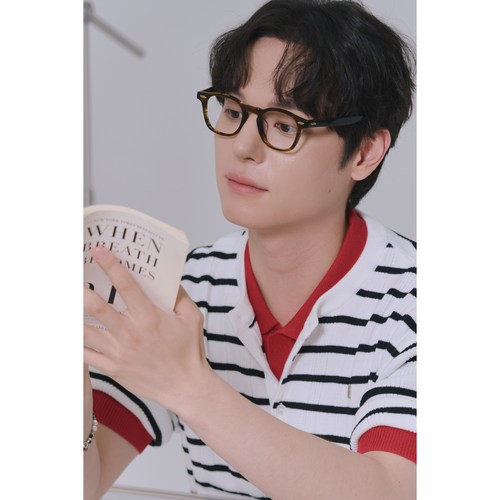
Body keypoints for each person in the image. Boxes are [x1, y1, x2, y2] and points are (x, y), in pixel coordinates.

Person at [84, 0, 416, 498]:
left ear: (366, 151)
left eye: (284, 125)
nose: (242, 146)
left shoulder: (415, 300)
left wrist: (188, 385)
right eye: (234, 111)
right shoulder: (187, 286)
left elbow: (391, 489)